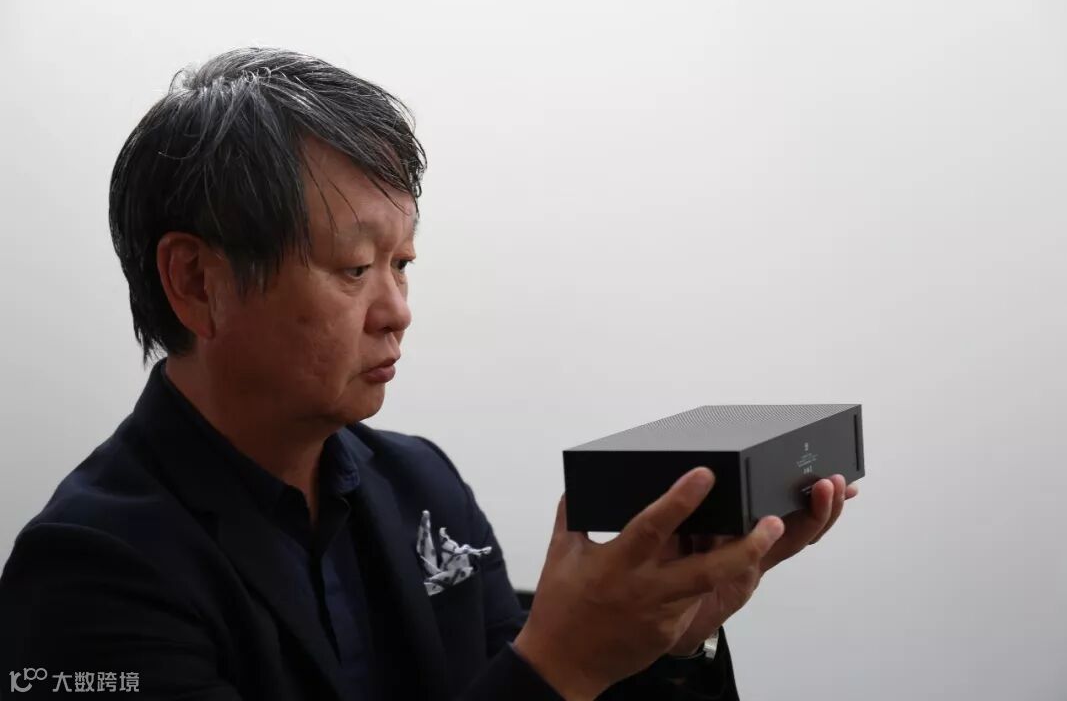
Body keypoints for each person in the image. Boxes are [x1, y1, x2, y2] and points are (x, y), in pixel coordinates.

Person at [0, 48, 856, 700]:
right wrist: (558, 664)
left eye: (402, 264)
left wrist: (670, 642)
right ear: (196, 282)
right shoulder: (89, 573)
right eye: (353, 269)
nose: (396, 310)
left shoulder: (420, 483)